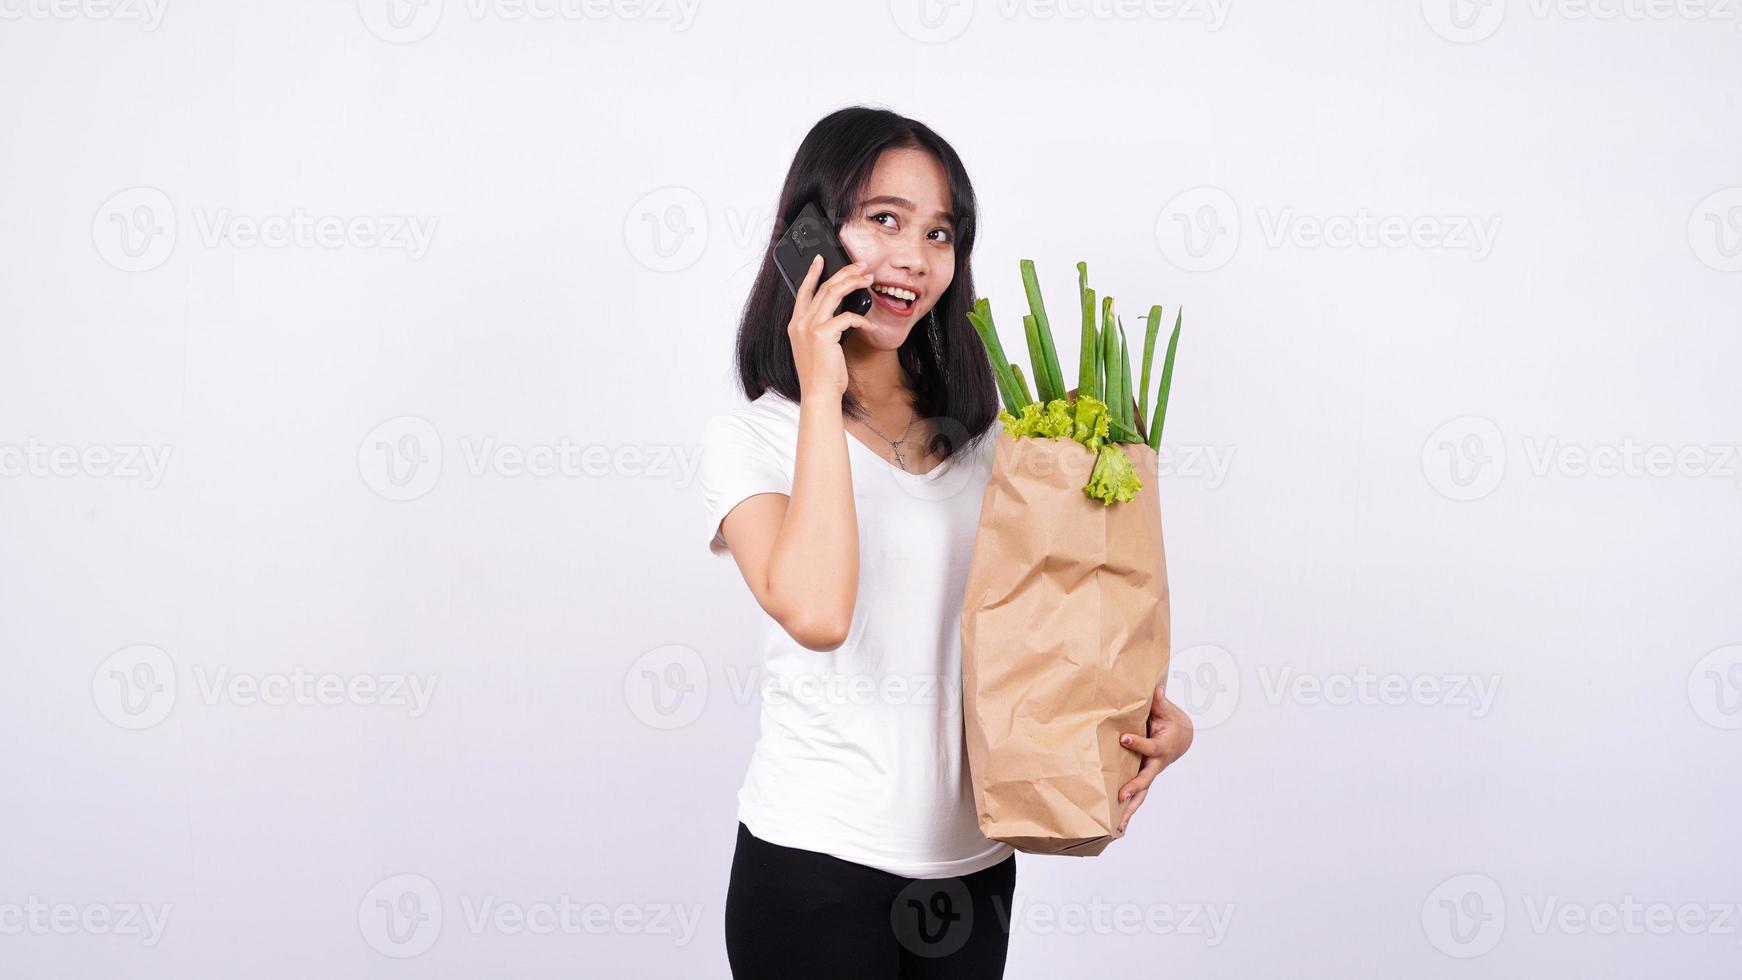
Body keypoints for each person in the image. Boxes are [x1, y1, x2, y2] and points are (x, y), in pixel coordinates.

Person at [698, 105, 1194, 979]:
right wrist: (821, 389)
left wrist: (1146, 720)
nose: (914, 258)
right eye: (883, 220)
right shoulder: (756, 439)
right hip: (813, 866)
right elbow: (816, 611)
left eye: (940, 233)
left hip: (971, 876)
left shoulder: (999, 445)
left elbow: (1046, 635)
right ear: (809, 233)